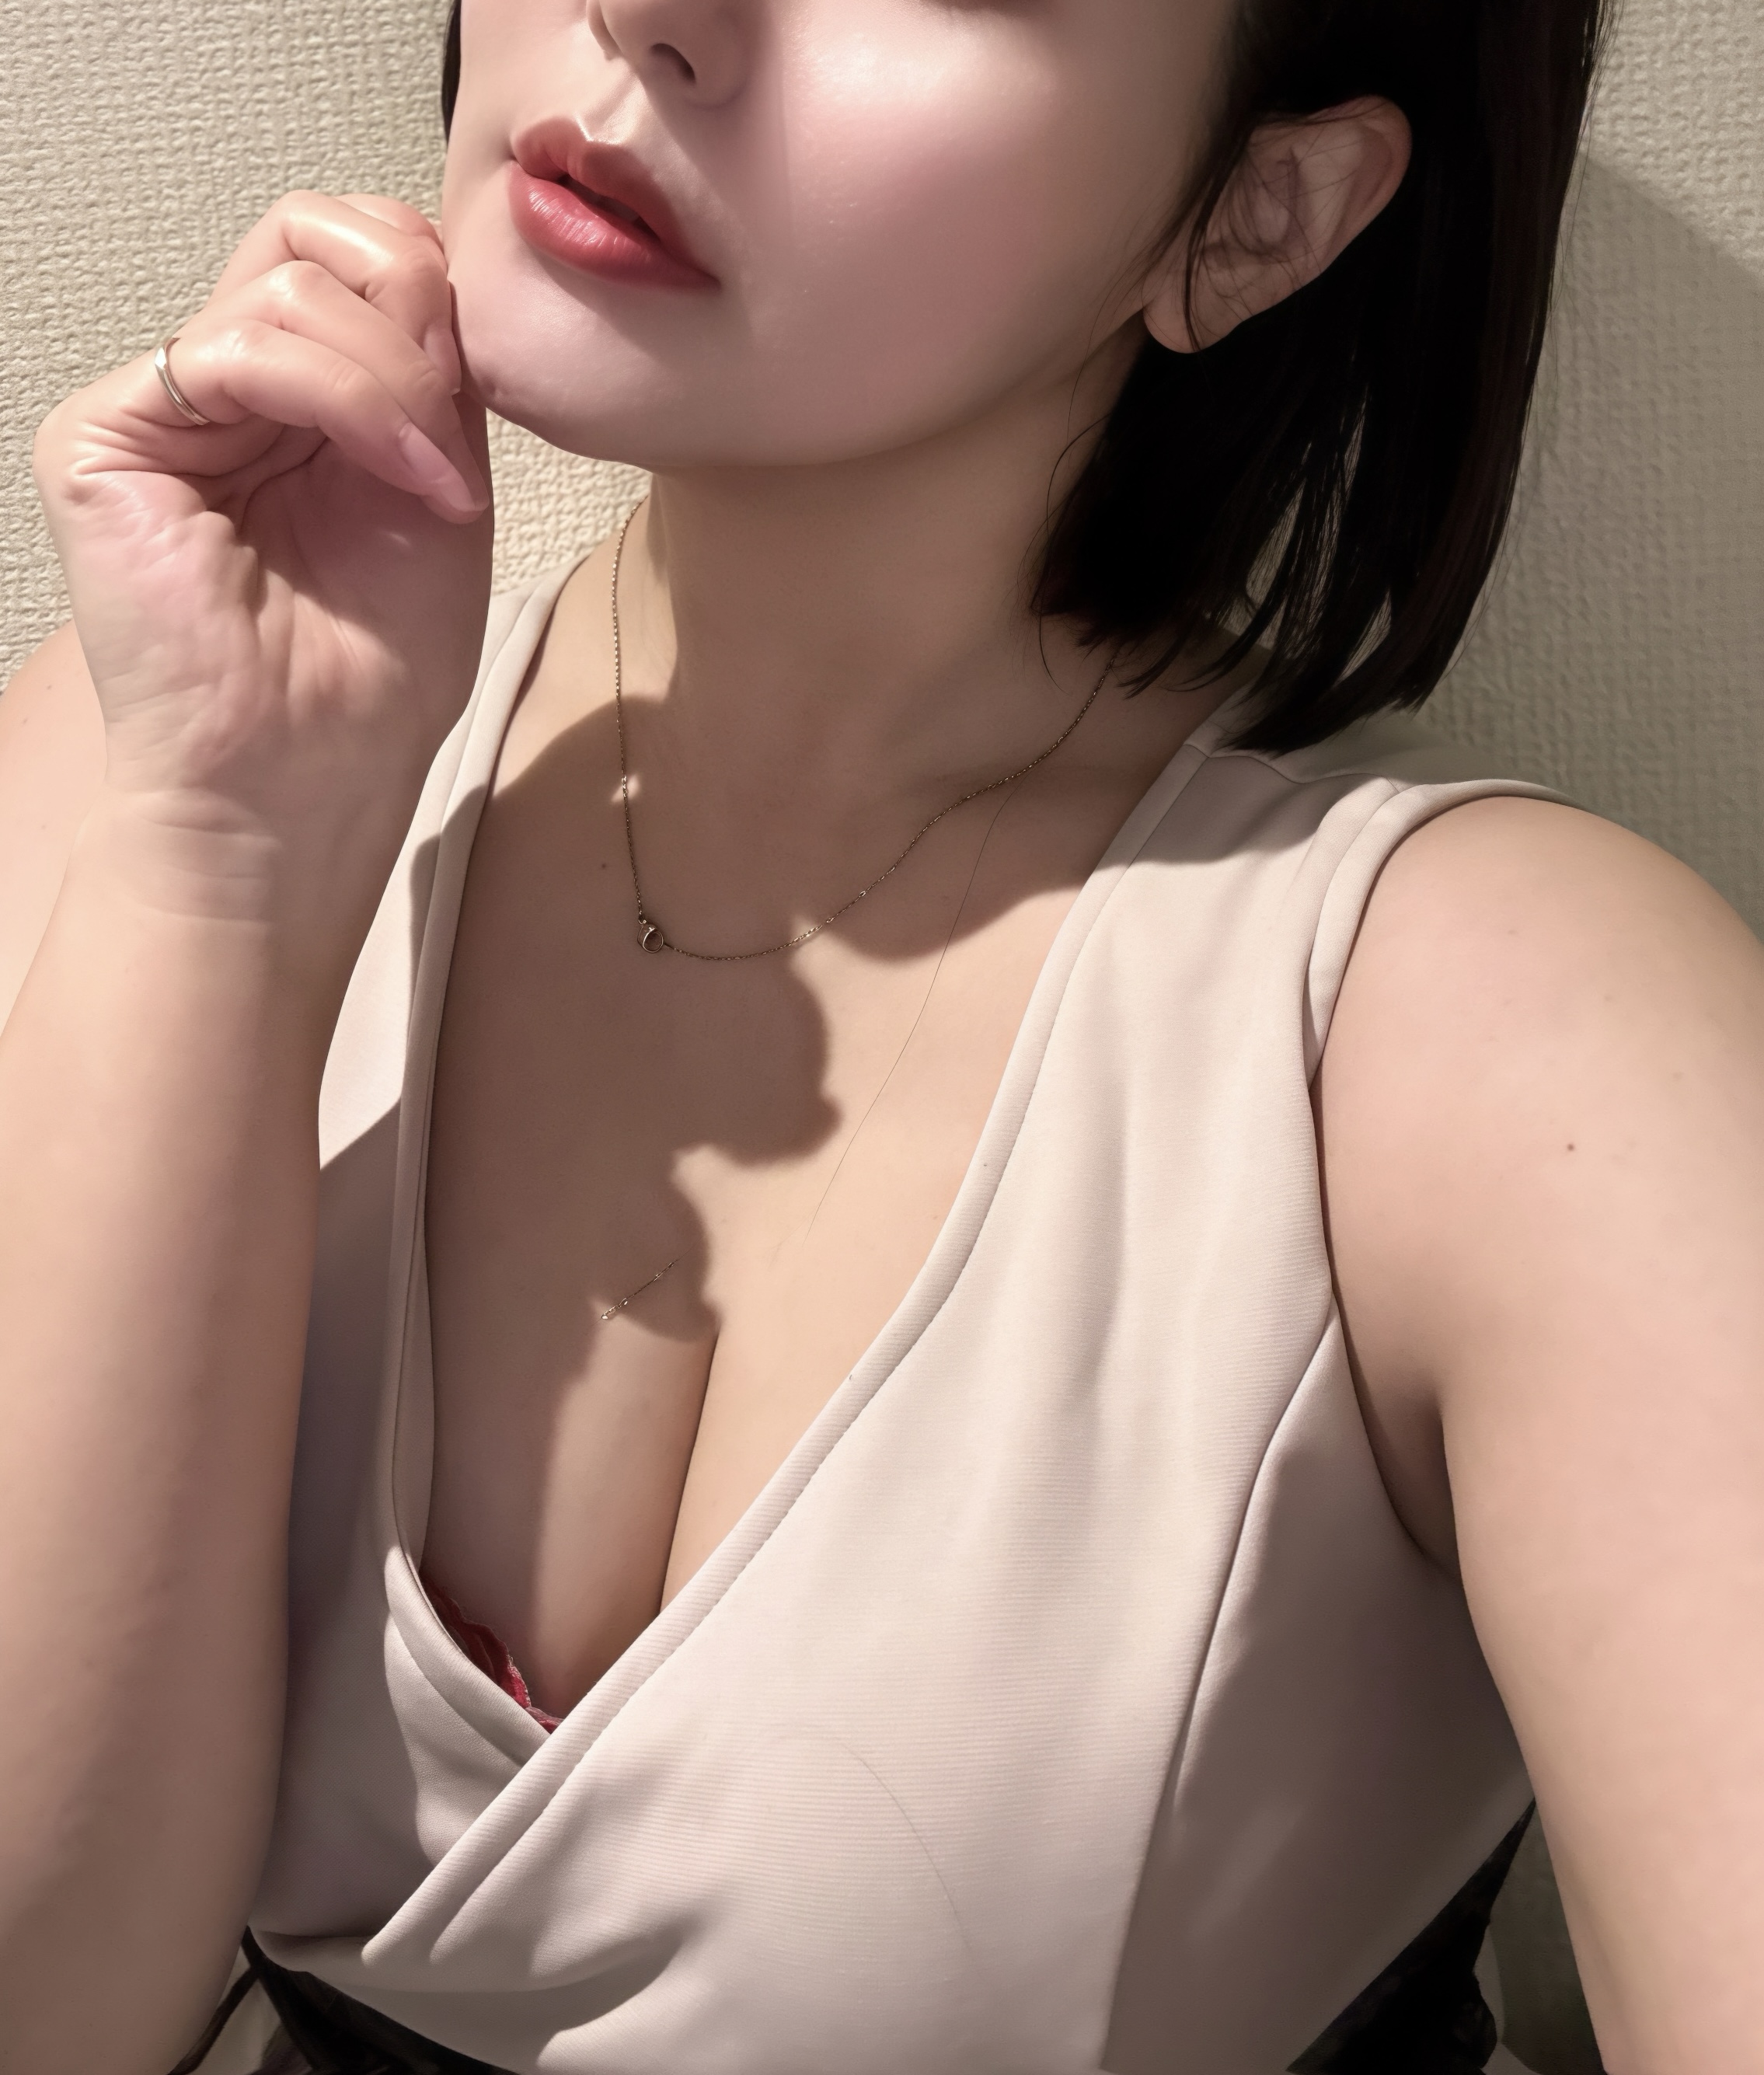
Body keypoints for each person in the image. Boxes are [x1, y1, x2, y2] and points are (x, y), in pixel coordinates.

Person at [3, 0, 1762, 2068]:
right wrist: (222, 866)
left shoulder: (1515, 1048)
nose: (657, 10)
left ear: (1260, 215)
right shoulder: (170, 733)